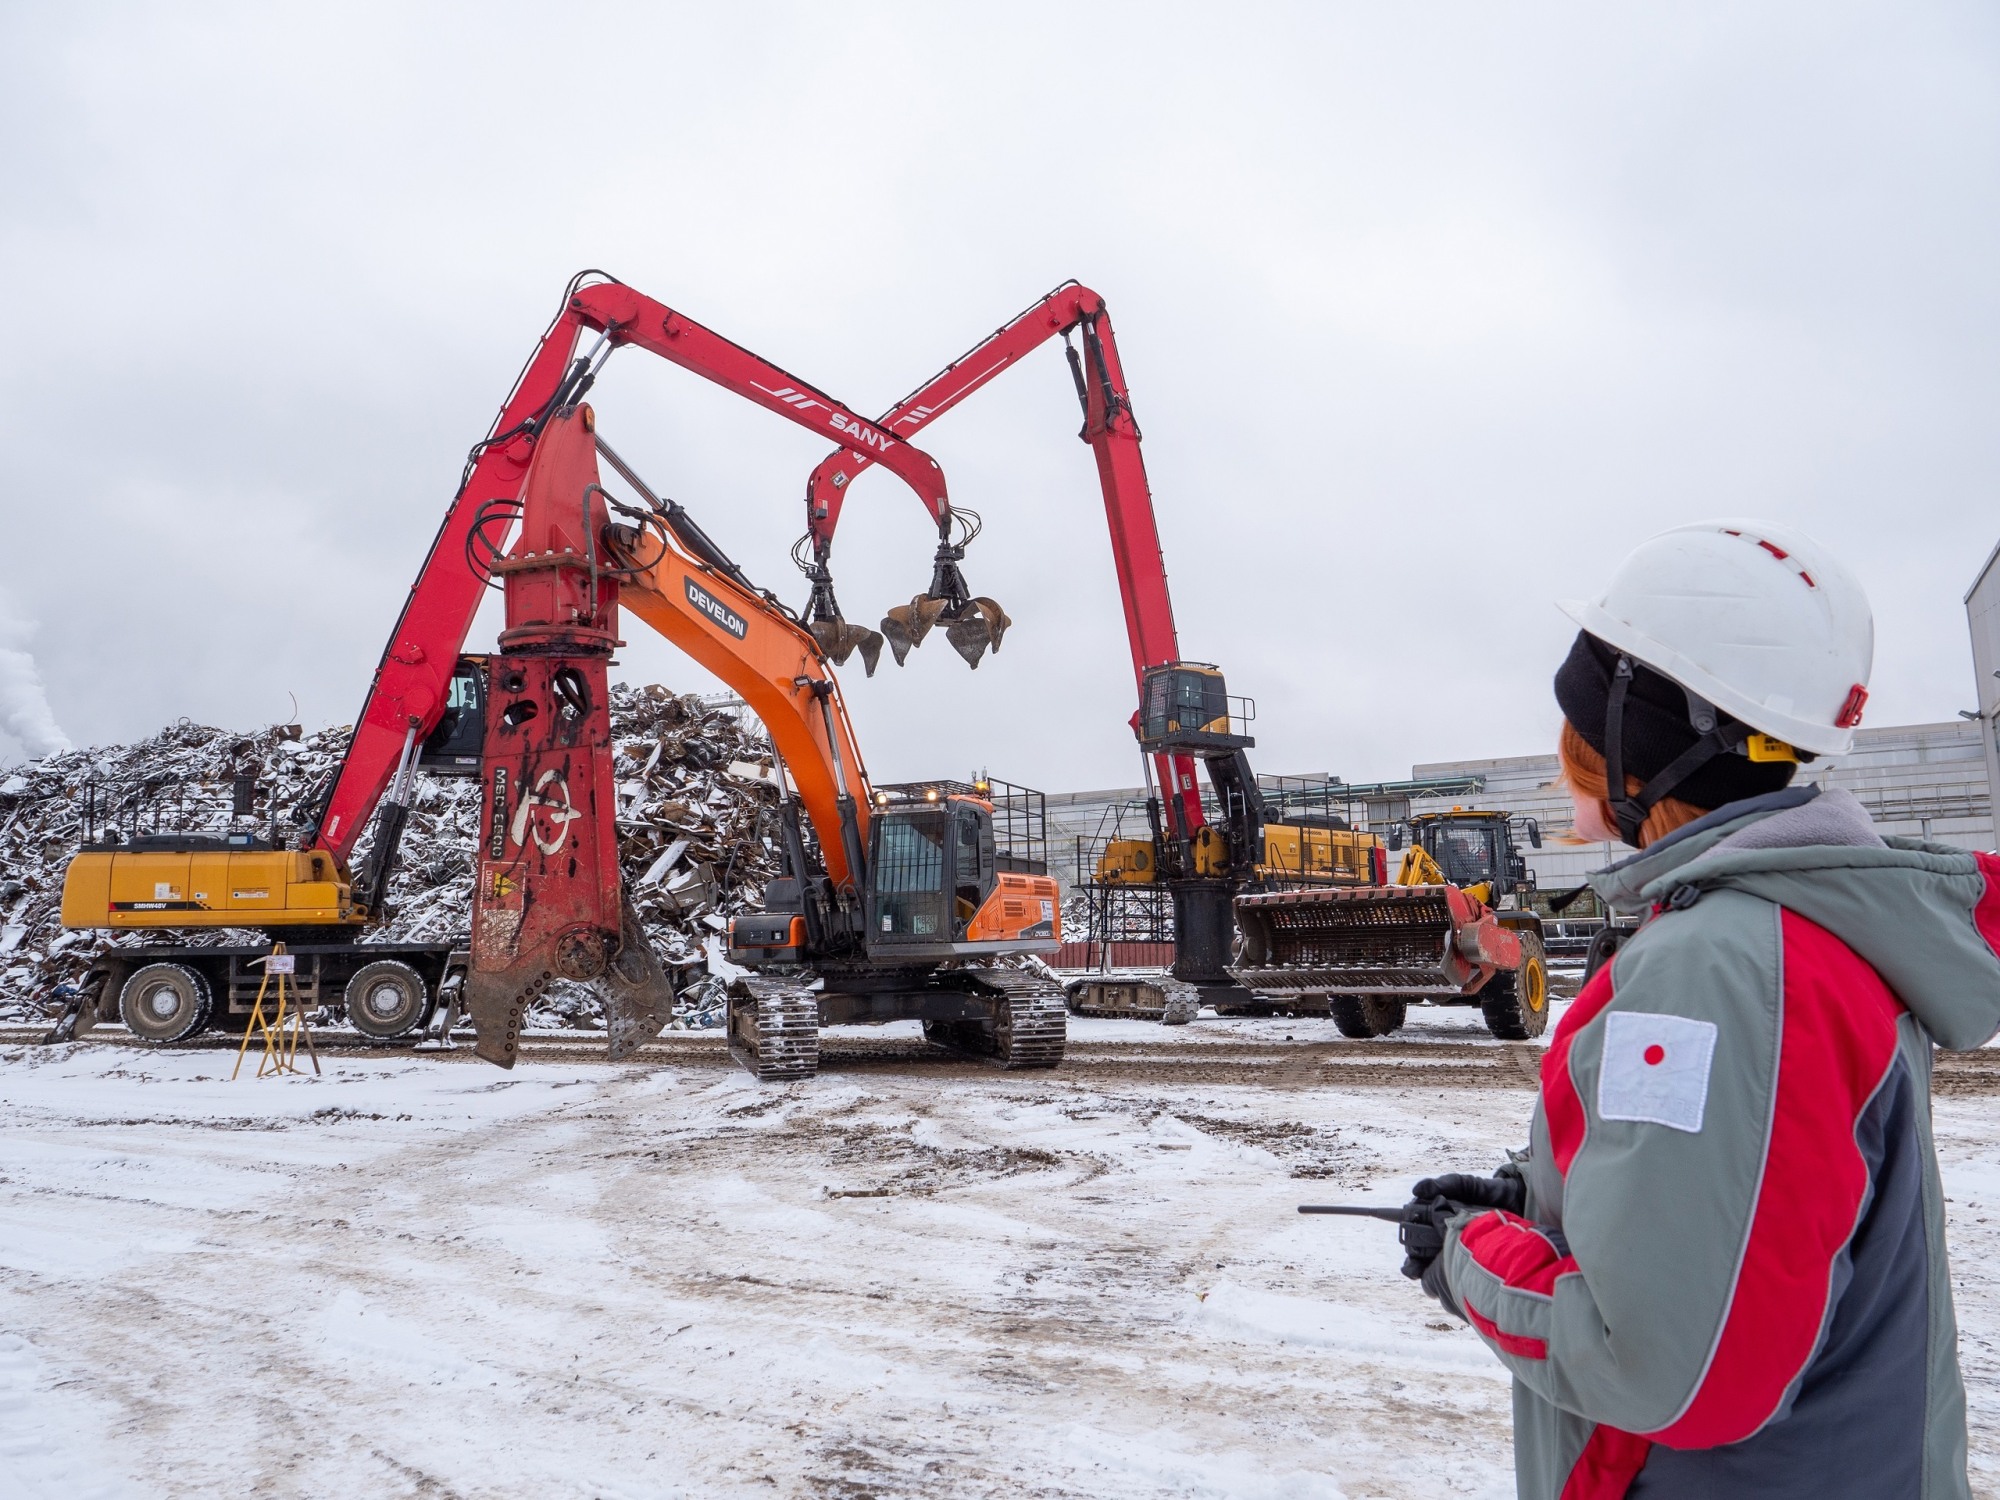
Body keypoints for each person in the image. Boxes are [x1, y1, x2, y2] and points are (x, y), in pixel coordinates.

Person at [1400, 520, 1999, 1500]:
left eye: (1580, 728)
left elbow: (1658, 1371)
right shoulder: (1811, 932)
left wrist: (1467, 1253)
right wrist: (1534, 1192)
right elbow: (1755, 1193)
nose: (1563, 766)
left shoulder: (1719, 968)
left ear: (1644, 741)